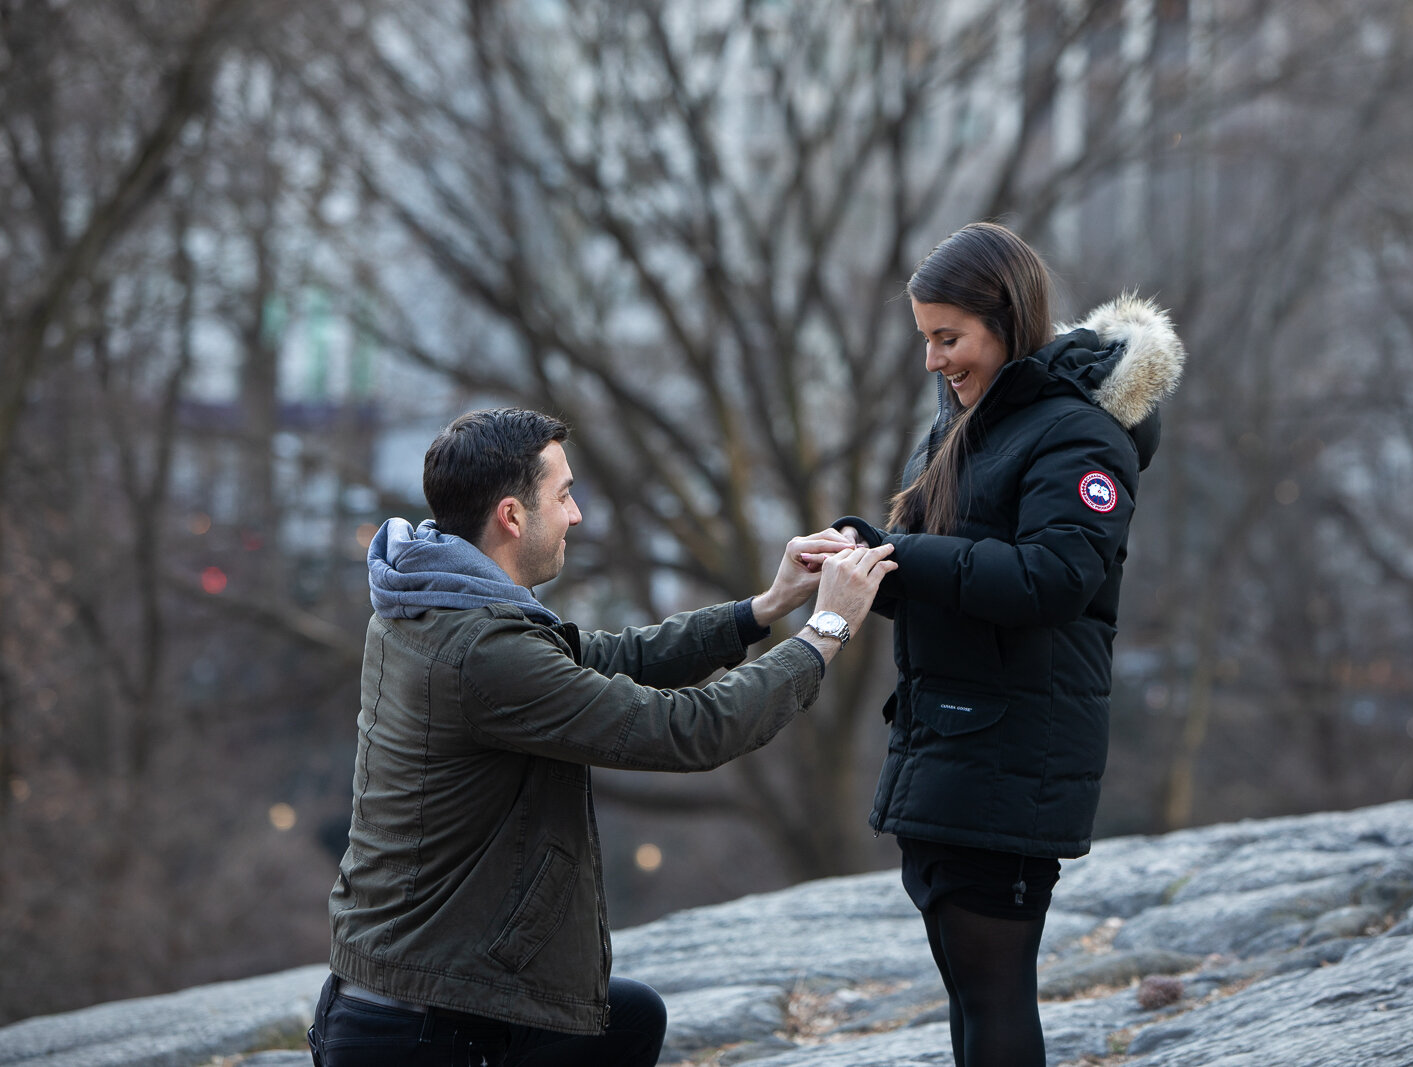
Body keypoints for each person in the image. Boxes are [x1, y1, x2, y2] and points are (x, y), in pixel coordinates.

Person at [308, 408, 895, 1067]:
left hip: (422, 995)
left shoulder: (434, 599)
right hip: (428, 1031)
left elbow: (606, 657)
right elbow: (690, 730)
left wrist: (763, 608)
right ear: (512, 515)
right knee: (622, 1024)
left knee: (629, 1018)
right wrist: (826, 632)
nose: (577, 514)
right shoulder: (480, 651)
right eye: (563, 495)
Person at [832, 222, 1185, 1067]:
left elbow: (1050, 579)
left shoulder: (1079, 435)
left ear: (1006, 318)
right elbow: (960, 590)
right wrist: (860, 564)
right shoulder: (970, 422)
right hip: (952, 737)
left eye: (946, 338)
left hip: (1012, 752)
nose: (933, 361)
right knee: (970, 993)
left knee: (995, 998)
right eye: (925, 339)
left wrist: (898, 554)